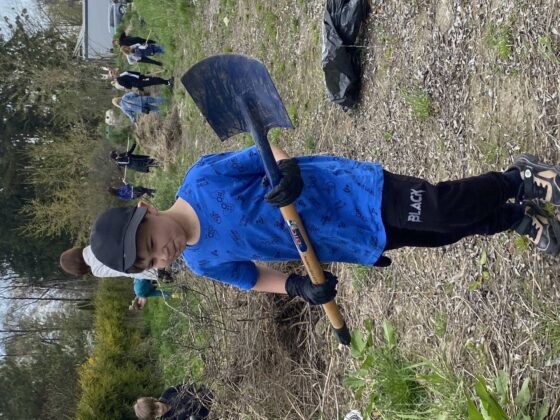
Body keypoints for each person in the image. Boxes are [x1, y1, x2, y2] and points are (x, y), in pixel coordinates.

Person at [89, 146, 560, 306]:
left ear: (147, 209)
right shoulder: (201, 260)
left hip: (349, 192)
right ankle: (511, 215)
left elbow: (263, 154)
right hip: (344, 238)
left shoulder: (202, 179)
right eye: (151, 261)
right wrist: (295, 286)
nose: (161, 254)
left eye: (151, 243)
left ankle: (515, 178)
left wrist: (285, 170)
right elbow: (252, 277)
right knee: (439, 234)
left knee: (435, 208)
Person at [59, 246, 158, 279]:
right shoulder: (95, 240)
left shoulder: (96, 270)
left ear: (76, 268)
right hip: (150, 243)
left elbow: (125, 270)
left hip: (151, 265)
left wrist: (154, 275)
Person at [134, 383, 213, 420]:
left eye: (157, 407)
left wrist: (199, 392)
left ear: (154, 400)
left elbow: (187, 387)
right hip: (208, 416)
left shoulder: (168, 393)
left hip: (208, 398)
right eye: (157, 413)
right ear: (154, 418)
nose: (161, 410)